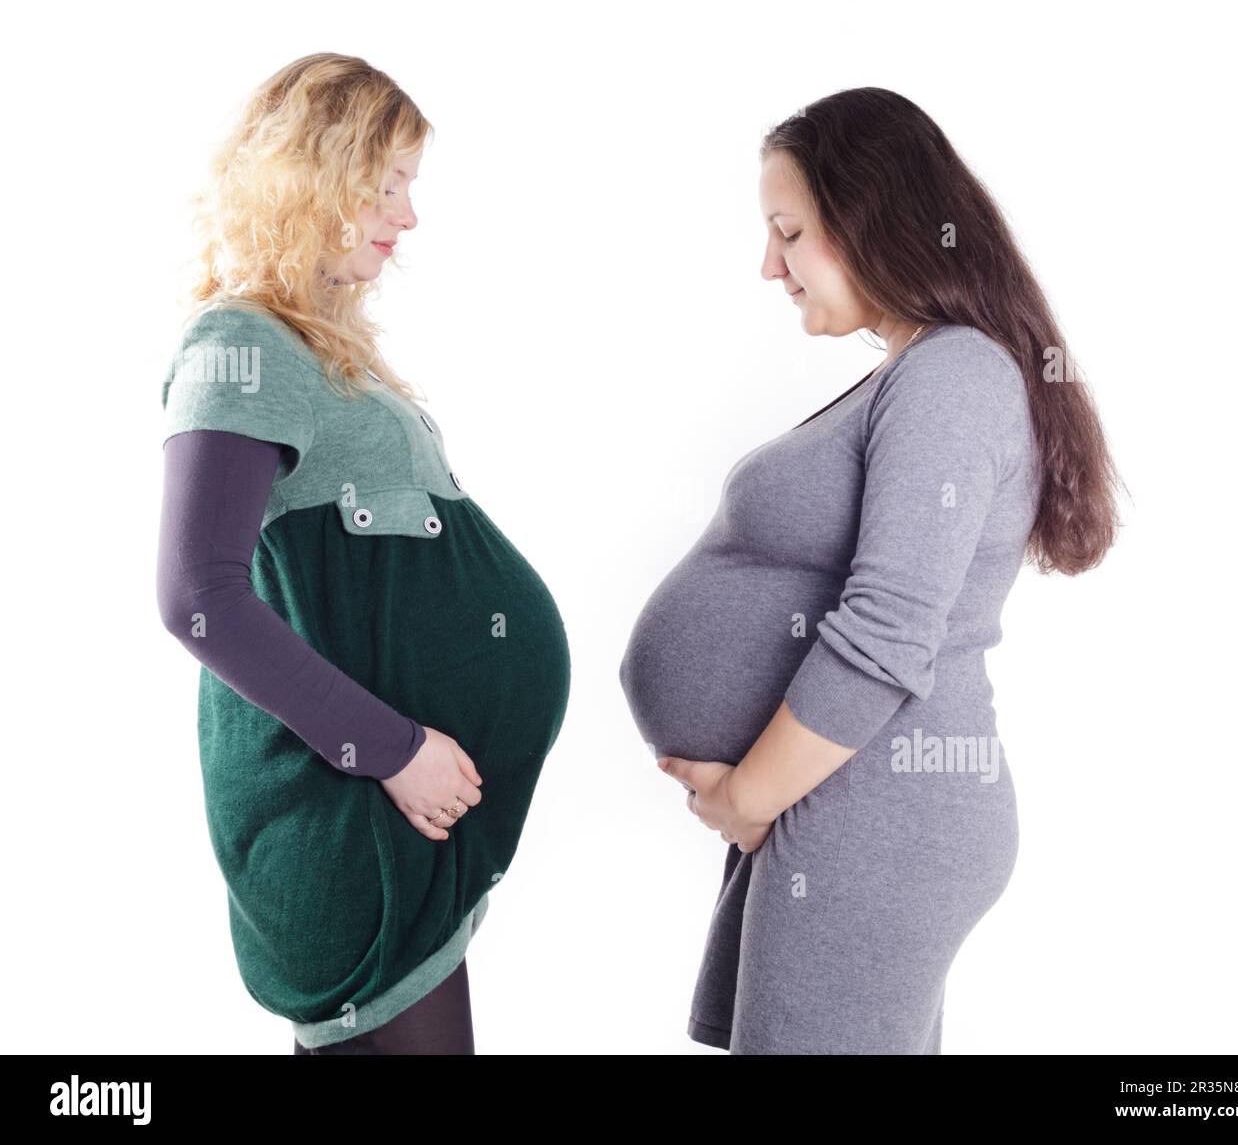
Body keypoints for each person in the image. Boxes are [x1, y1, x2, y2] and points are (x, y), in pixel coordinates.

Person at [619, 87, 1122, 1054]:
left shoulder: (953, 377)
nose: (770, 265)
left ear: (873, 222)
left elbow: (892, 627)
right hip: (848, 805)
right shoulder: (925, 371)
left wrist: (746, 799)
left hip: (879, 817)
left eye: (790, 232)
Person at [156, 53, 571, 1055]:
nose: (407, 216)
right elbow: (195, 597)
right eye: (385, 184)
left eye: (408, 187)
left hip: (392, 822)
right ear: (312, 177)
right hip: (354, 811)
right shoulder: (238, 344)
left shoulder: (313, 346)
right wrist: (388, 750)